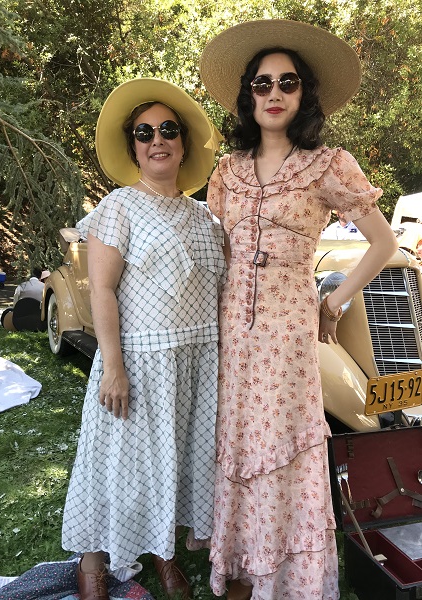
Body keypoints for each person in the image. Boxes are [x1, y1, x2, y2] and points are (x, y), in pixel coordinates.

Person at [199, 19, 399, 600]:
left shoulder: (328, 164)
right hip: (232, 329)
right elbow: (213, 250)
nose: (275, 94)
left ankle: (290, 579)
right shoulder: (228, 172)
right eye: (262, 84)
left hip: (288, 334)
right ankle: (242, 569)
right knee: (238, 441)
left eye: (287, 83)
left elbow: (384, 245)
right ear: (248, 96)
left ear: (303, 94)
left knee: (284, 446)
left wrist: (330, 301)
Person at [61, 78, 226, 600]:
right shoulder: (119, 206)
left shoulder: (207, 217)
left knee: (177, 465)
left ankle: (164, 553)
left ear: (183, 143)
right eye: (145, 131)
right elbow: (103, 289)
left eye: (168, 130)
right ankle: (92, 562)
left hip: (197, 363)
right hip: (139, 362)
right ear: (133, 146)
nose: (158, 139)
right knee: (120, 466)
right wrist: (113, 365)